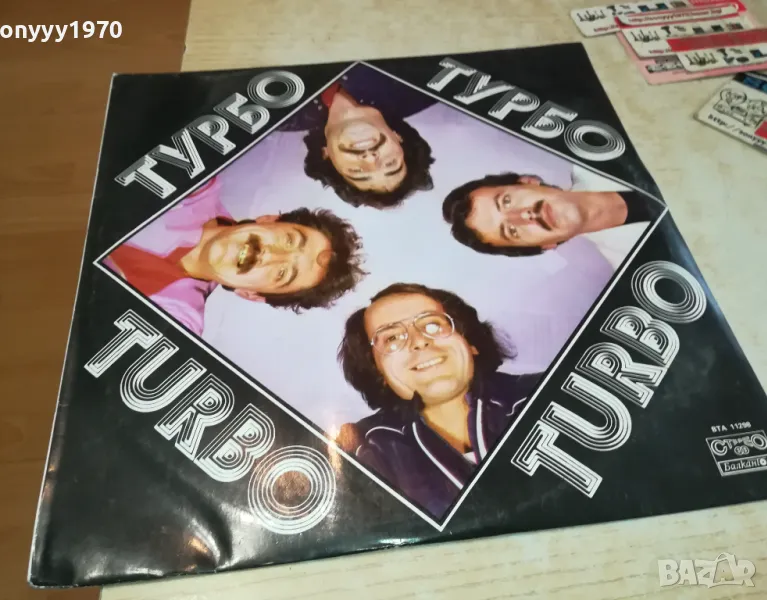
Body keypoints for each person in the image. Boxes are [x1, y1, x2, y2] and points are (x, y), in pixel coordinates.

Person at [337, 283, 541, 518]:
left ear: (470, 342)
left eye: (432, 325)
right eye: (392, 338)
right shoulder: (366, 450)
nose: (419, 341)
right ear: (378, 372)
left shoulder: (542, 393)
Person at [103, 176, 365, 335]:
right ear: (268, 220)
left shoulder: (179, 325)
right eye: (289, 240)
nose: (270, 255)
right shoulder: (193, 181)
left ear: (251, 294)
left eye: (282, 273)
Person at [285, 65, 435, 209]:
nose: (369, 159)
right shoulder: (419, 86)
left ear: (326, 155)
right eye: (390, 163)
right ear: (399, 138)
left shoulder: (287, 115)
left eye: (357, 172)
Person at [442, 172, 659, 268]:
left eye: (506, 201)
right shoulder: (641, 266)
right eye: (511, 231)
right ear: (546, 245)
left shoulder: (598, 147)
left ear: (529, 181)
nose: (524, 216)